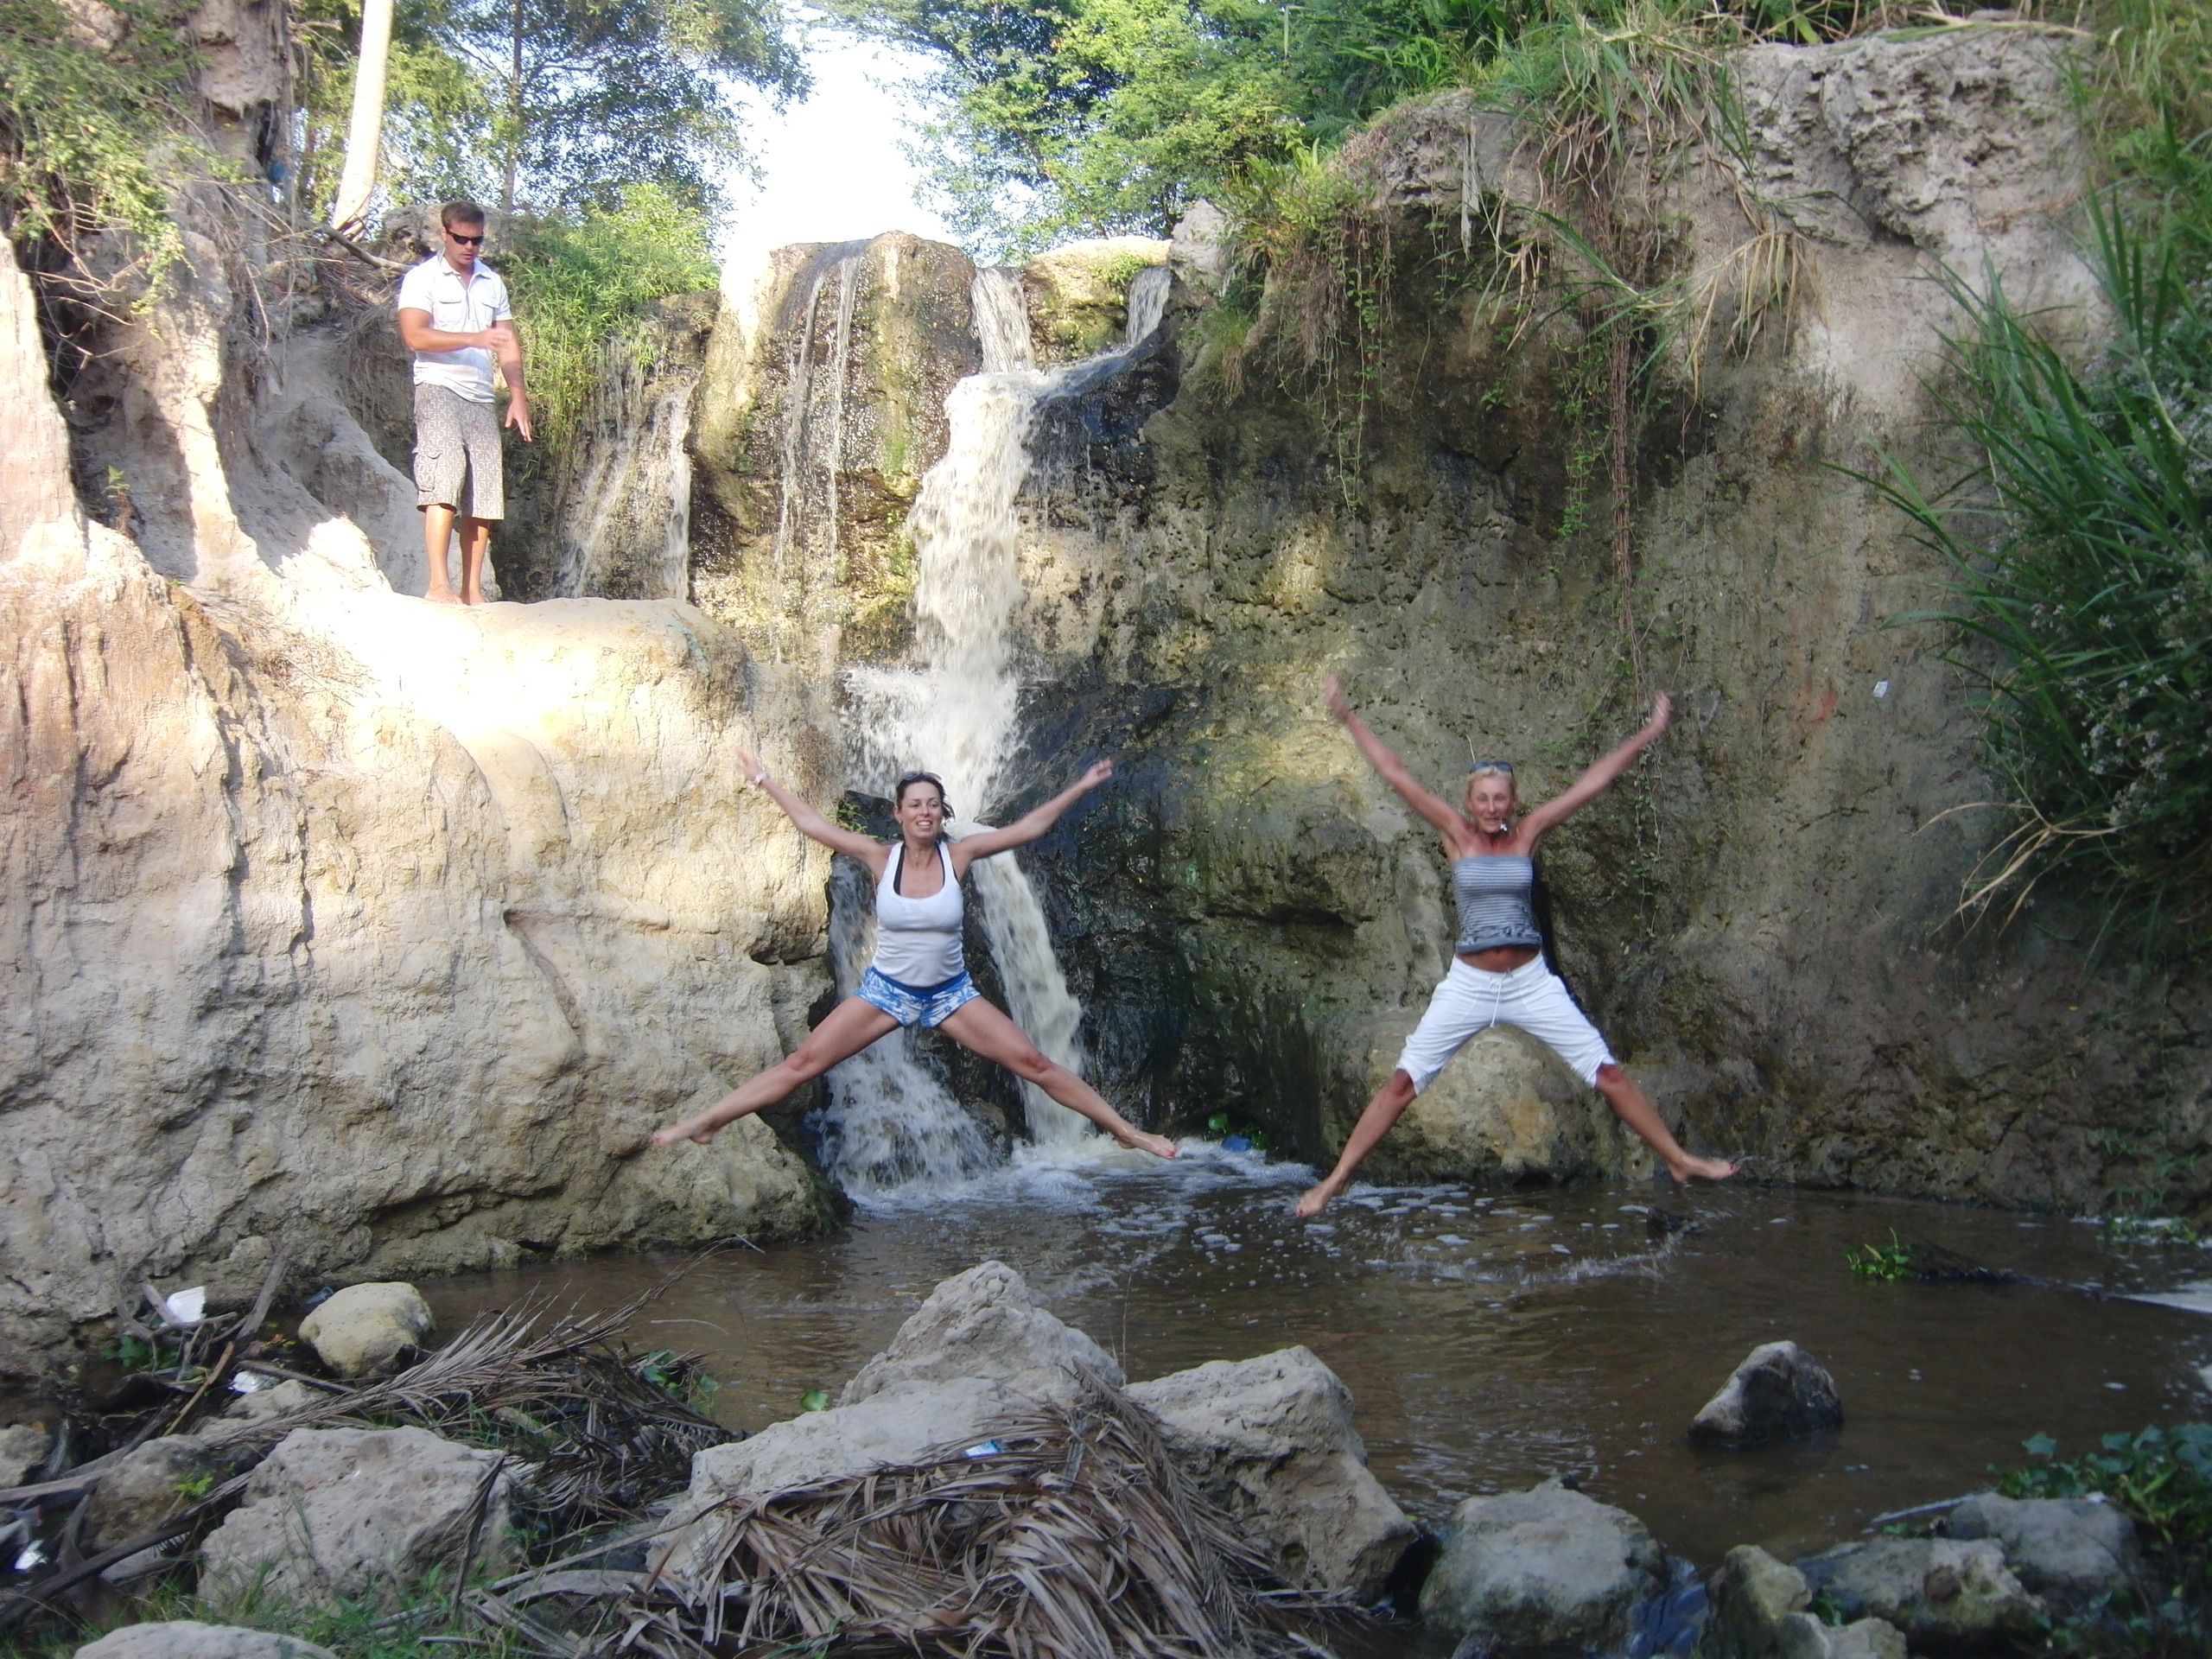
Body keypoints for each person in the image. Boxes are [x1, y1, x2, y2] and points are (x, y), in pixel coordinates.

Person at [1296, 677, 1736, 1217]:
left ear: (1513, 801)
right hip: (1469, 984)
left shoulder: (1529, 834)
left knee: (1607, 1072)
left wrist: (1648, 733)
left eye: (1499, 797)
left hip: (1530, 983)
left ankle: (1678, 1160)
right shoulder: (1455, 834)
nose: (1491, 806)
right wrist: (1348, 717)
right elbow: (1395, 773)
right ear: (1469, 802)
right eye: (1482, 798)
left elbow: (1594, 782)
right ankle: (1337, 1179)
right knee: (1404, 1082)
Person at [652, 755, 1179, 1158]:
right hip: (887, 992)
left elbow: (1028, 829)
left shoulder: (961, 854)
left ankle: (1127, 1132)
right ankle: (708, 1120)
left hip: (952, 994)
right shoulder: (880, 857)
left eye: (933, 804)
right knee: (801, 1065)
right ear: (899, 813)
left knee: (1037, 1064)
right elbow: (812, 825)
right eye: (915, 804)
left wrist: (1082, 786)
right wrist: (764, 779)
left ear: (941, 812)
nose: (924, 812)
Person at [395, 201, 532, 606]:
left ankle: (472, 590)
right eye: (461, 239)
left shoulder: (492, 282)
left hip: (480, 395)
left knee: (484, 490)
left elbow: (508, 342)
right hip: (438, 386)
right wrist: (474, 338)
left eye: (477, 240)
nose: (469, 247)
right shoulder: (423, 278)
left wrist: (518, 396)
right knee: (444, 475)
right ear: (444, 234)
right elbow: (415, 336)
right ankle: (438, 584)